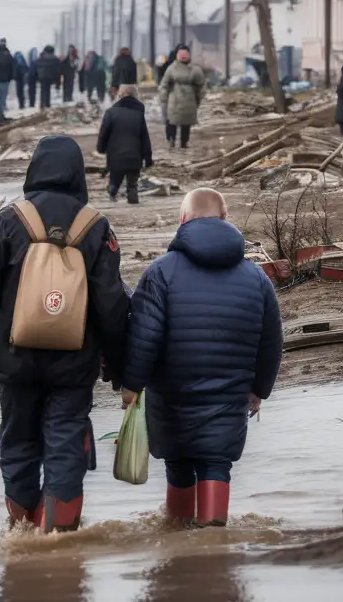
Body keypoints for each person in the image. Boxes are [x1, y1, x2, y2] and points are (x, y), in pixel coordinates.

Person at [0, 135, 131, 533]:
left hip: (14, 362)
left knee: (17, 444)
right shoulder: (96, 226)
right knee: (66, 443)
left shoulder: (7, 220)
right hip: (74, 363)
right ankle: (59, 539)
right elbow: (112, 303)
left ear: (34, 168)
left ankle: (22, 537)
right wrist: (119, 364)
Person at [120, 188, 283, 527]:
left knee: (178, 463)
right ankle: (214, 538)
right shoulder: (256, 278)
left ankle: (177, 535)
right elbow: (271, 342)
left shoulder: (160, 272)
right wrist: (259, 390)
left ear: (183, 220)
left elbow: (144, 335)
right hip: (229, 394)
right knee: (216, 461)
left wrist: (131, 385)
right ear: (225, 221)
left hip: (172, 396)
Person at [96, 84, 153, 204]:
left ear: (120, 96)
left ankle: (113, 190)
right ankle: (133, 197)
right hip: (135, 156)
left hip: (115, 155)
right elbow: (145, 138)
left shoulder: (111, 112)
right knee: (132, 183)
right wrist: (148, 158)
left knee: (115, 178)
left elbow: (104, 133)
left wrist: (100, 148)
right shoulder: (138, 115)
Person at [159, 45, 204, 151]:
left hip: (189, 99)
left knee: (186, 122)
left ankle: (184, 142)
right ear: (176, 55)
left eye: (185, 54)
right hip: (174, 98)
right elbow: (164, 84)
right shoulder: (171, 69)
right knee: (171, 121)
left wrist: (198, 97)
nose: (183, 56)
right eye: (181, 54)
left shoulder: (195, 69)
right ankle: (171, 140)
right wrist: (163, 97)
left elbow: (201, 85)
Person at [36, 45, 61, 109]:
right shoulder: (55, 58)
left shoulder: (40, 57)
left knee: (43, 90)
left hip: (42, 76)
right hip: (50, 76)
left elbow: (37, 67)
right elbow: (58, 69)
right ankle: (47, 104)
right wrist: (57, 80)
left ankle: (42, 104)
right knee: (48, 90)